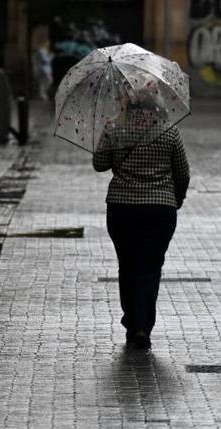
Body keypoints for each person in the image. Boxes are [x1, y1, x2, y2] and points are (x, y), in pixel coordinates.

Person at [93, 89, 190, 350]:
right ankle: (143, 326)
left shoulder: (115, 126)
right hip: (160, 209)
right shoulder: (169, 130)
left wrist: (110, 135)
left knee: (127, 265)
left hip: (122, 207)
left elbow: (99, 163)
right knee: (150, 266)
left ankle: (132, 320)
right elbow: (182, 172)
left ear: (128, 102)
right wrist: (175, 198)